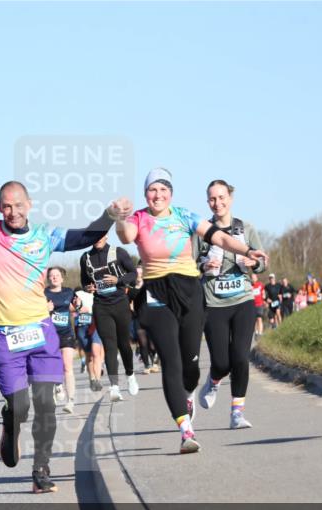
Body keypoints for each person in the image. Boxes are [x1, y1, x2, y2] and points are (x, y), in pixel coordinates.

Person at [0, 136, 131, 493]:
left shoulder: (43, 235)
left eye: (18, 205)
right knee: (19, 406)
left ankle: (41, 470)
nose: (12, 212)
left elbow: (84, 235)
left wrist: (109, 216)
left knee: (46, 404)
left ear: (29, 204)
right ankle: (10, 422)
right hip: (5, 335)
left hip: (41, 330)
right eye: (6, 206)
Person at [115, 168, 268, 454]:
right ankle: (186, 430)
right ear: (145, 193)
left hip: (189, 293)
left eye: (163, 190)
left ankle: (188, 392)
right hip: (157, 294)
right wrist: (121, 218)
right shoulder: (137, 218)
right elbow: (125, 236)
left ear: (171, 193)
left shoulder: (184, 216)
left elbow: (219, 238)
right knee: (171, 362)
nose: (157, 195)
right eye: (152, 190)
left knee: (190, 366)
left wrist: (247, 251)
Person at [195, 179, 268, 430]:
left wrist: (254, 264)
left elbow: (263, 261)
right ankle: (214, 381)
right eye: (213, 199)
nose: (218, 203)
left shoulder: (246, 228)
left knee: (240, 357)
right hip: (213, 303)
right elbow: (189, 264)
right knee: (222, 362)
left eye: (222, 197)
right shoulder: (202, 231)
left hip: (243, 299)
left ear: (231, 198)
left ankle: (237, 412)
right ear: (208, 202)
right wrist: (203, 266)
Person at [80, 235, 139, 401]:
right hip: (101, 306)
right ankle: (114, 386)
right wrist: (87, 287)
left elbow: (133, 273)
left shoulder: (118, 252)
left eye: (100, 235)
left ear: (106, 236)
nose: (97, 238)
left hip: (120, 303)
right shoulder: (85, 257)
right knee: (109, 345)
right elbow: (84, 280)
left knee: (124, 345)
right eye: (94, 235)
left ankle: (130, 374)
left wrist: (118, 280)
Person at [45, 267, 77, 414]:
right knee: (52, 366)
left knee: (67, 366)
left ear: (62, 278)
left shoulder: (69, 292)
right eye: (51, 276)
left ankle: (70, 401)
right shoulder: (43, 293)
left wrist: (80, 305)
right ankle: (58, 385)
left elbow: (77, 306)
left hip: (66, 334)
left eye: (57, 275)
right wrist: (46, 309)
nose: (54, 278)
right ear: (48, 279)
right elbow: (34, 312)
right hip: (49, 335)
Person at [74, 286, 105, 391]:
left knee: (96, 352)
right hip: (82, 326)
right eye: (89, 284)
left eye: (93, 284)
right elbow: (70, 306)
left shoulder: (100, 294)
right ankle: (92, 378)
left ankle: (98, 380)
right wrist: (78, 307)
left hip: (96, 325)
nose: (91, 286)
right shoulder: (78, 294)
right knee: (89, 355)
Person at [250, 273, 266, 338]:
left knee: (259, 318)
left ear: (256, 278)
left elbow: (263, 292)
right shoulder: (250, 286)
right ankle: (256, 332)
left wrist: (264, 296)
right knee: (254, 319)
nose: (253, 279)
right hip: (252, 305)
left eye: (254, 277)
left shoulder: (260, 285)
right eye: (252, 278)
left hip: (260, 304)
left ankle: (260, 333)